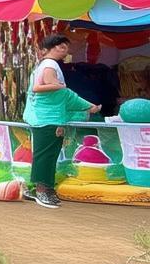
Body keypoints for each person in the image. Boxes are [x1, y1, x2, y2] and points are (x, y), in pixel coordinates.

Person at [23, 34, 98, 209]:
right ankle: (42, 190)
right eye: (61, 47)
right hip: (48, 119)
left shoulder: (43, 65)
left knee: (45, 155)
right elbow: (56, 92)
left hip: (44, 118)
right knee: (46, 156)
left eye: (66, 48)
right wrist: (87, 106)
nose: (65, 51)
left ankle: (39, 189)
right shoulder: (50, 65)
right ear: (50, 49)